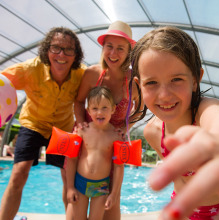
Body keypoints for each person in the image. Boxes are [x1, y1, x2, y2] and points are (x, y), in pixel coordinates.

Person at [130, 26, 219, 219]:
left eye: (176, 79)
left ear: (195, 80)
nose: (164, 95)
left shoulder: (204, 111)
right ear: (139, 85)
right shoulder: (152, 132)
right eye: (151, 83)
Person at [0, 27, 86, 219]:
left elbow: (102, 84)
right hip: (33, 124)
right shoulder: (30, 69)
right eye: (55, 48)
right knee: (19, 173)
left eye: (68, 49)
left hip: (62, 128)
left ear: (76, 55)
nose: (61, 54)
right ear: (47, 50)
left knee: (68, 178)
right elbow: (2, 81)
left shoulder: (81, 74)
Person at [73, 20, 140, 220]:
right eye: (109, 46)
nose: (113, 53)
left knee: (112, 204)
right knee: (75, 198)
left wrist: (124, 129)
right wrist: (81, 123)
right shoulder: (93, 73)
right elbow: (78, 101)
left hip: (113, 145)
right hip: (88, 144)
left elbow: (140, 110)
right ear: (103, 48)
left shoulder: (133, 81)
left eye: (120, 48)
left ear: (129, 52)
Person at [66, 86, 123, 220]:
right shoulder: (82, 131)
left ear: (113, 109)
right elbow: (72, 159)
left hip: (101, 186)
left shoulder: (116, 136)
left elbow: (119, 167)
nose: (99, 112)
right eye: (95, 108)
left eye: (104, 108)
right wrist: (70, 187)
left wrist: (114, 194)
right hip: (80, 182)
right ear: (88, 111)